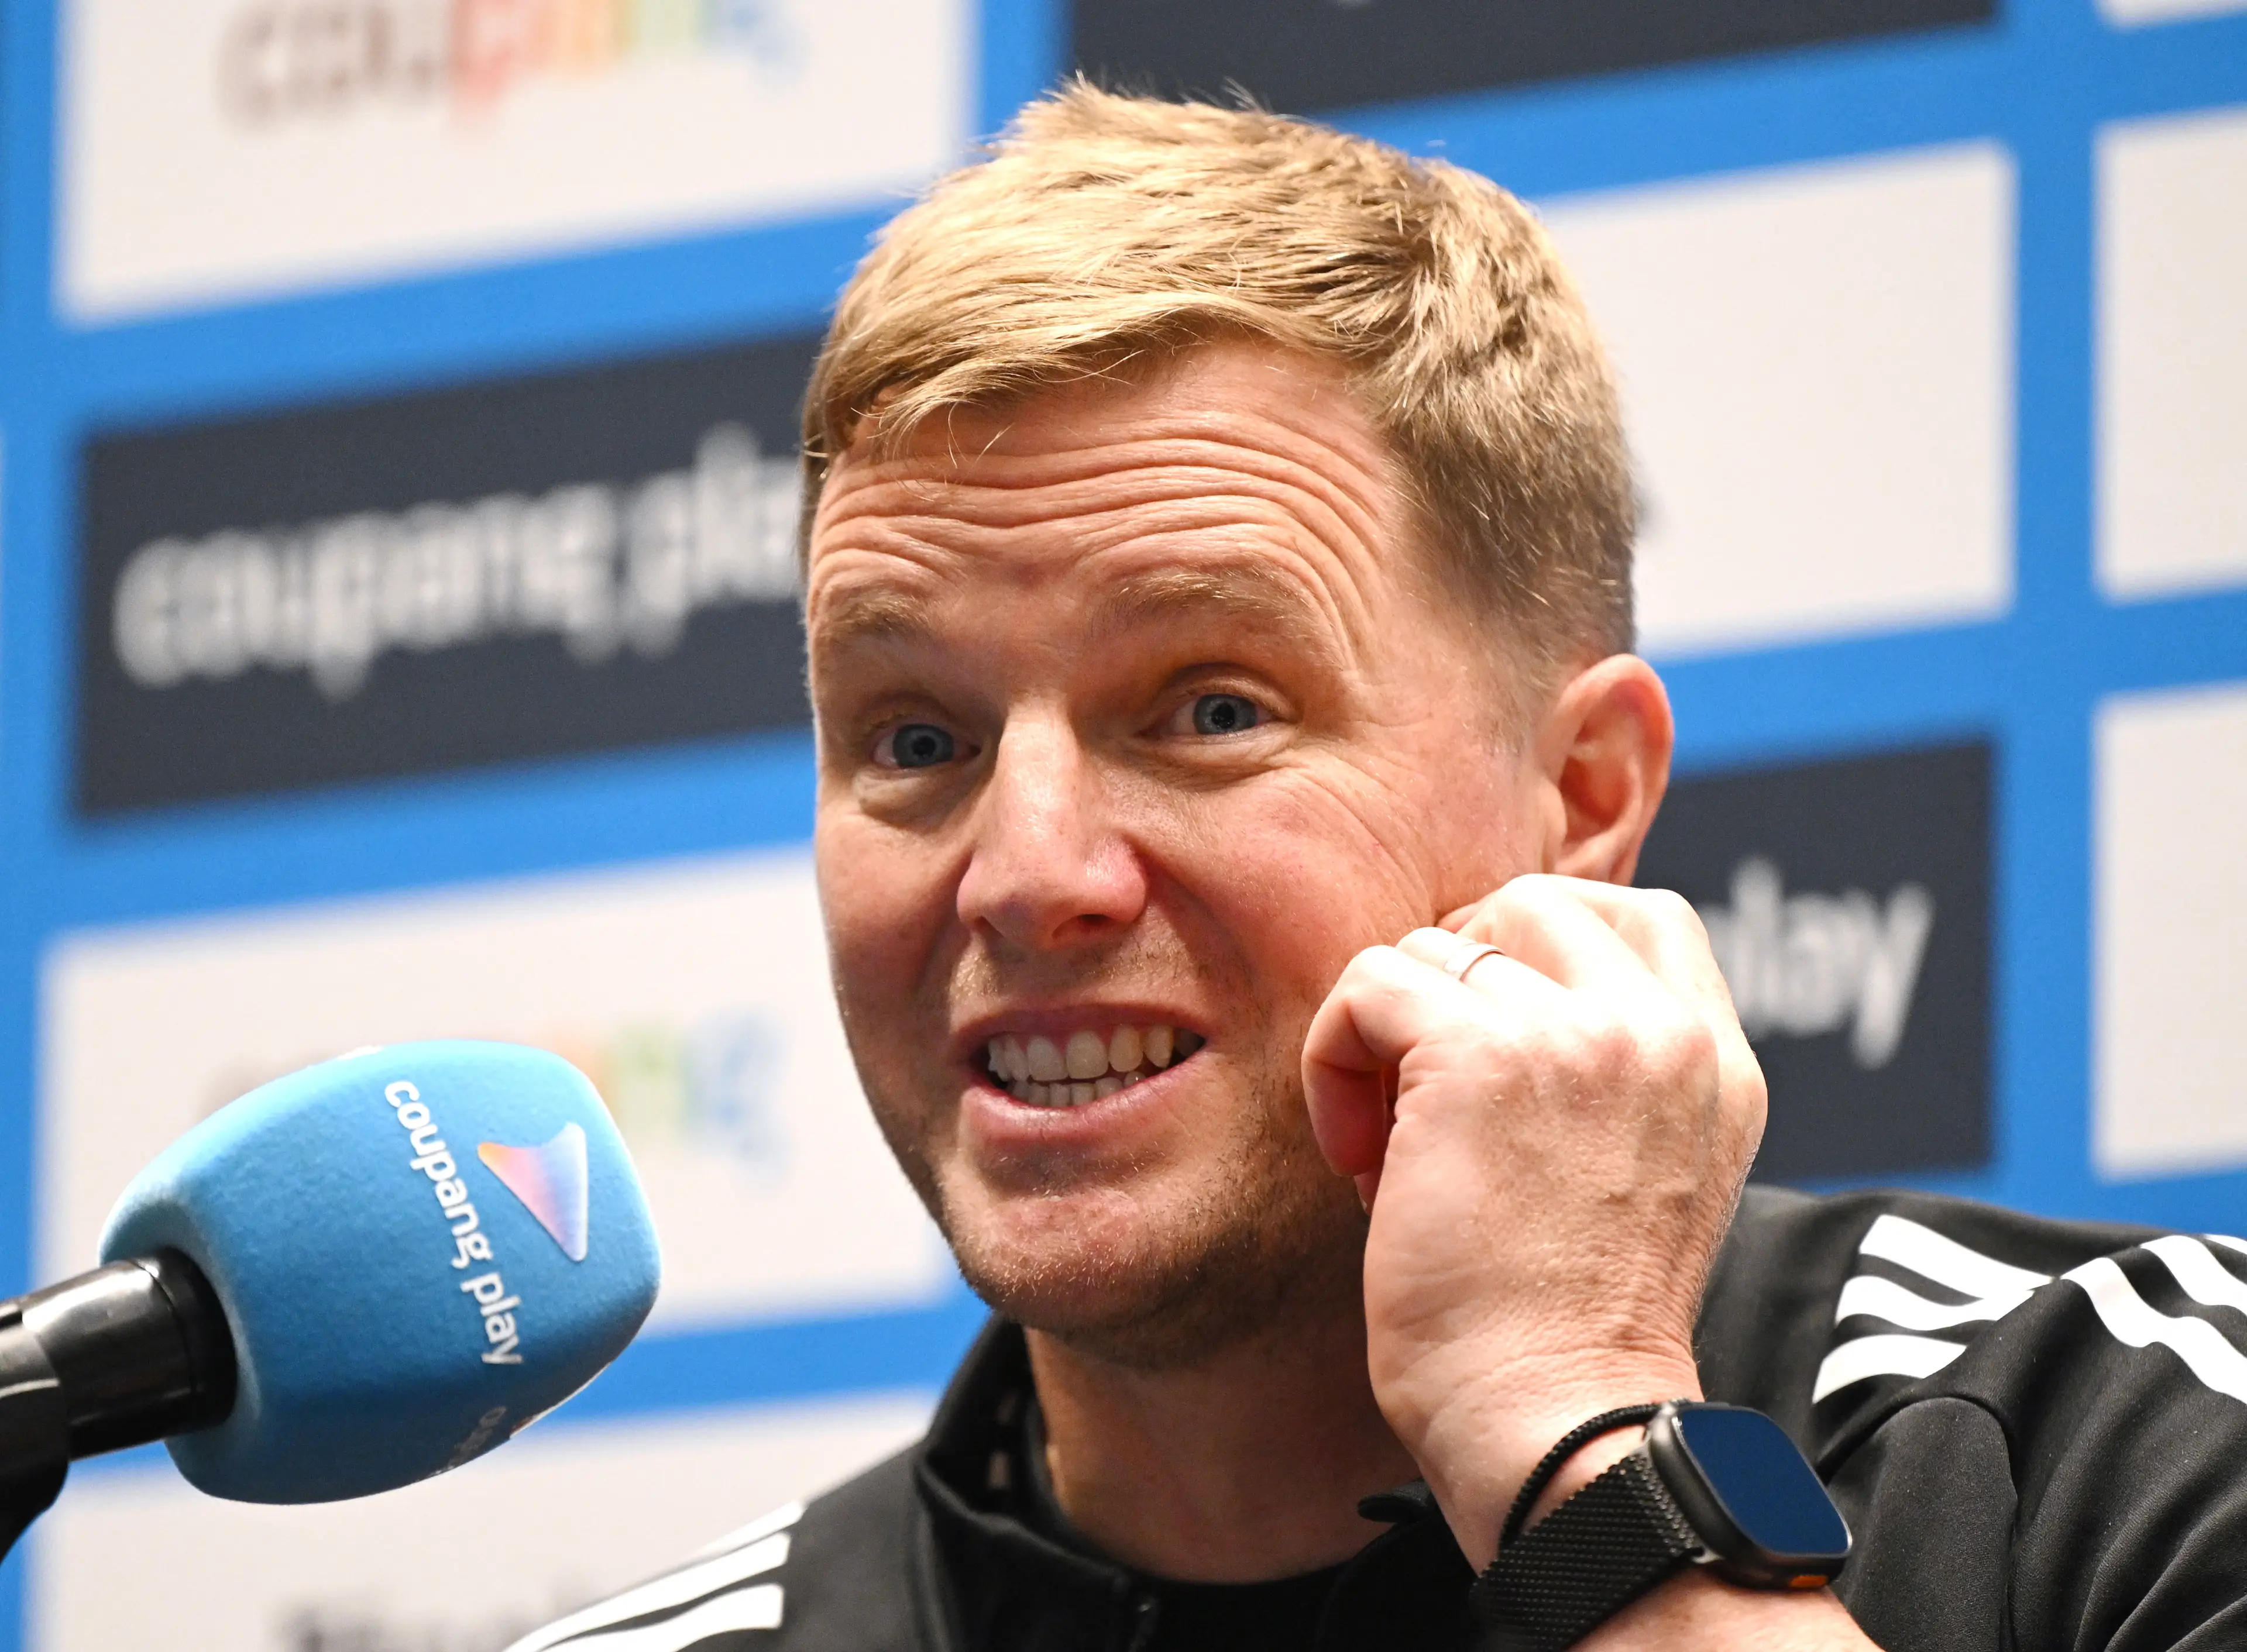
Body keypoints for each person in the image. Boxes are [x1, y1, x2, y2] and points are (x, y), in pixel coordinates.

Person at [513, 86, 2247, 1652]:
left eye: (1207, 707)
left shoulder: (2121, 1442)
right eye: (913, 741)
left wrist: (1581, 1436)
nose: (1025, 875)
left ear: (1582, 798)